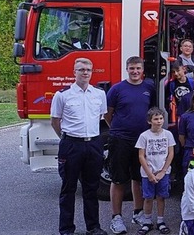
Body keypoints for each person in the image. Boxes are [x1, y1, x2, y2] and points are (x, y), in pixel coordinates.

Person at [51, 57, 108, 235]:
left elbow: (102, 117)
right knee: (68, 188)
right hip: (71, 145)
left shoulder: (99, 94)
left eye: (88, 70)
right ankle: (67, 229)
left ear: (92, 72)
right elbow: (55, 121)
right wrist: (66, 139)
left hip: (93, 145)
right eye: (81, 69)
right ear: (74, 72)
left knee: (91, 189)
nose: (85, 72)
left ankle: (93, 227)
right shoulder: (62, 95)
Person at [105, 56, 156, 234]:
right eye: (132, 68)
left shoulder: (149, 87)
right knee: (118, 178)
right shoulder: (117, 89)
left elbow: (152, 110)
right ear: (127, 69)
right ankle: (116, 217)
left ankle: (138, 212)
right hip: (120, 139)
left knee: (139, 177)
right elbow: (108, 114)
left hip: (142, 140)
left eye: (138, 68)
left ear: (143, 70)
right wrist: (118, 130)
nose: (135, 72)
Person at [135, 107, 175, 234]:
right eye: (156, 119)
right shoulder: (144, 136)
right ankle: (147, 221)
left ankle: (160, 221)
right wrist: (149, 173)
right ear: (149, 121)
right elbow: (141, 155)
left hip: (163, 172)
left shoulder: (168, 134)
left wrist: (163, 171)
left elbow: (170, 154)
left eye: (161, 118)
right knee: (148, 198)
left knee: (161, 197)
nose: (159, 121)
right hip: (148, 173)